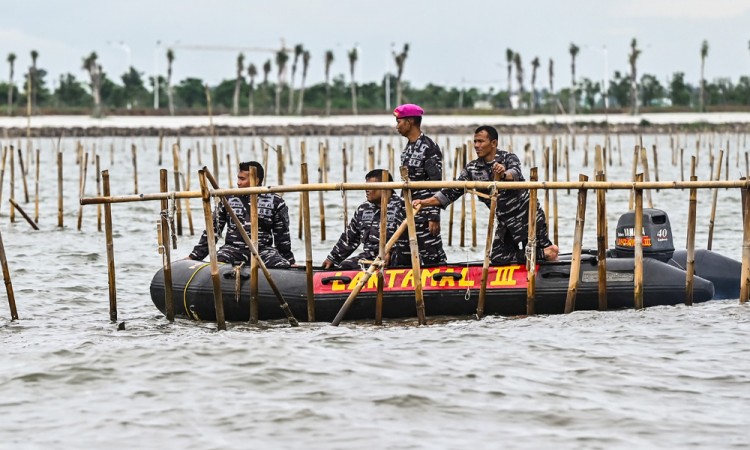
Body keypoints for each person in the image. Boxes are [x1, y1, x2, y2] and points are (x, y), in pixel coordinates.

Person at [413, 125, 559, 264]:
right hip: (506, 221)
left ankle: (548, 255)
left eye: (481, 141)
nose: (476, 145)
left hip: (528, 216)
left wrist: (502, 174)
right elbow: (450, 192)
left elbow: (514, 173)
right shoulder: (472, 168)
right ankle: (546, 253)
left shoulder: (508, 158)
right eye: (475, 141)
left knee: (536, 253)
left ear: (493, 143)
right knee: (497, 257)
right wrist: (424, 202)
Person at [188, 161, 295, 268]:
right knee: (217, 265)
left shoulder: (275, 201)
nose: (238, 183)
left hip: (263, 251)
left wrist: (289, 261)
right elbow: (213, 231)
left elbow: (282, 236)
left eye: (242, 179)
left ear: (256, 180)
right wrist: (194, 256)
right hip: (232, 250)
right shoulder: (227, 199)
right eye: (238, 178)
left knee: (281, 266)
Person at [323, 169, 410, 269]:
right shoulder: (363, 209)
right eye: (366, 186)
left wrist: (390, 252)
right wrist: (332, 258)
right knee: (345, 266)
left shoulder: (402, 206)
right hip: (370, 257)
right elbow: (350, 239)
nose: (366, 190)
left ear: (386, 188)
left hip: (396, 258)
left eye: (371, 187)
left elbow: (408, 238)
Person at [394, 103, 447, 265]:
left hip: (424, 213)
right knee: (404, 256)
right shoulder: (408, 148)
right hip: (407, 212)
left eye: (399, 122)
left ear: (409, 122)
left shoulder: (429, 148)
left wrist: (433, 216)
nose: (397, 126)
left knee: (432, 257)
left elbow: (436, 183)